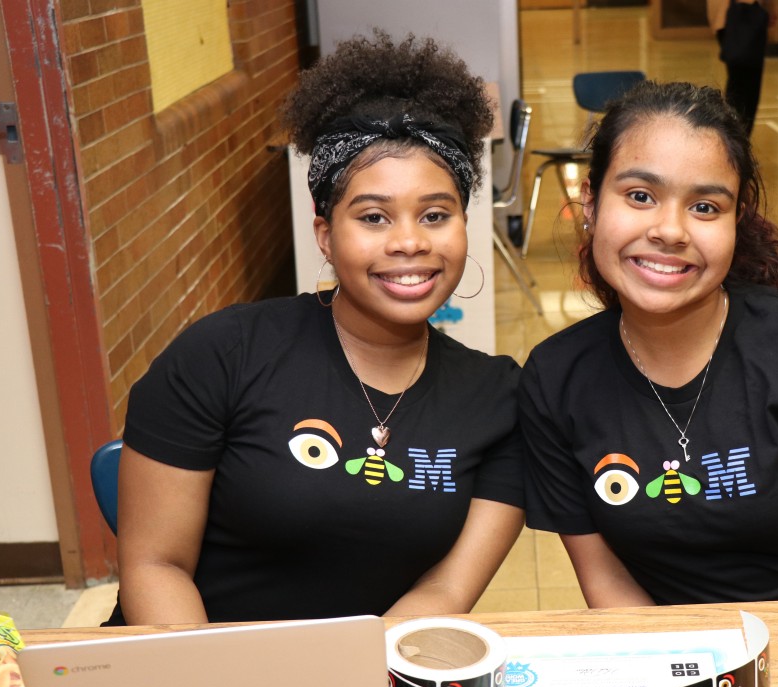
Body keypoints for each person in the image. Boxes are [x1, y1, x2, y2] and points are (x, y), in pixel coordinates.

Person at [106, 32, 524, 625]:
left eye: (435, 215)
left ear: (464, 225)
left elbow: (443, 595)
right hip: (185, 671)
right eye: (373, 217)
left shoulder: (498, 399)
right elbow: (155, 566)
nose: (409, 242)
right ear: (325, 234)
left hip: (369, 681)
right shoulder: (223, 353)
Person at [519, 81, 778, 608]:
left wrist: (774, 686)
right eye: (640, 196)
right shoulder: (555, 378)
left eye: (704, 207)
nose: (670, 231)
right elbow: (607, 586)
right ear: (589, 201)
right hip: (667, 662)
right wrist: (683, 685)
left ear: (737, 219)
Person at [707, 0, 773, 135]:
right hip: (743, 14)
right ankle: (736, 138)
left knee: (738, 83)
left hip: (726, 17)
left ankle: (733, 136)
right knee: (746, 88)